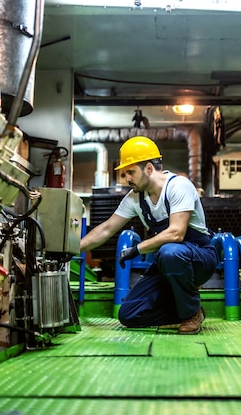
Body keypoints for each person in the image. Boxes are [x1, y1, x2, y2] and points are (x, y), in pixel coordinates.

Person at [80, 136, 219, 334]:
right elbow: (107, 228)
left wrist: (136, 249)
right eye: (125, 173)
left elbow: (176, 233)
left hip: (199, 257)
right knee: (129, 315)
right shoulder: (135, 198)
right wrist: (73, 248)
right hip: (168, 263)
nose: (127, 179)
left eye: (131, 172)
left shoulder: (178, 186)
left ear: (148, 168)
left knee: (170, 252)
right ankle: (187, 311)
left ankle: (190, 314)